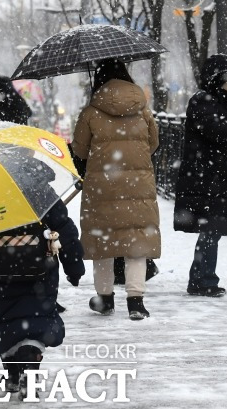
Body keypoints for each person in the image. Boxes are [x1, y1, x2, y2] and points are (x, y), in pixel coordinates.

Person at [0, 159, 84, 399]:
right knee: (37, 318)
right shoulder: (42, 192)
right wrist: (74, 267)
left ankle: (12, 372)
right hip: (39, 269)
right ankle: (31, 357)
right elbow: (65, 229)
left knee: (3, 320)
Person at [72, 58, 161, 320]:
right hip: (138, 184)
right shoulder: (142, 108)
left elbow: (79, 149)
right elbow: (153, 143)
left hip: (102, 185)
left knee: (104, 241)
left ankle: (105, 298)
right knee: (137, 240)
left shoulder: (91, 111)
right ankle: (136, 301)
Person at [173, 54, 227, 297]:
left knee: (212, 230)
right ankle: (203, 279)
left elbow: (226, 142)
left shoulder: (223, 104)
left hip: (214, 175)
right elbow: (214, 132)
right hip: (203, 177)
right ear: (217, 81)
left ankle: (201, 279)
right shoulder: (202, 101)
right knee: (211, 229)